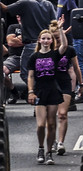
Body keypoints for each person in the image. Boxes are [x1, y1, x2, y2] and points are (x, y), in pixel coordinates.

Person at [1, 0, 58, 84]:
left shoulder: (25, 3)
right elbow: (54, 24)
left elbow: (5, 9)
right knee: (44, 71)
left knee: (26, 74)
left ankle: (37, 94)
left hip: (31, 45)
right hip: (46, 44)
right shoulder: (48, 4)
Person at [27, 29, 64, 163]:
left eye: (48, 39)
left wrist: (60, 30)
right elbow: (30, 76)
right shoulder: (34, 57)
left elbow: (64, 47)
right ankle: (41, 148)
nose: (46, 41)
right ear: (39, 40)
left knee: (52, 124)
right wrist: (31, 91)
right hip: (40, 91)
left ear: (51, 41)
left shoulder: (54, 54)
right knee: (41, 125)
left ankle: (49, 153)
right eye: (43, 38)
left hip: (53, 91)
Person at [50, 18, 81, 156]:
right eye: (54, 37)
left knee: (62, 114)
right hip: (49, 84)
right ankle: (52, 141)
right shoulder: (46, 50)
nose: (57, 40)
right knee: (50, 117)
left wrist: (81, 84)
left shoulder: (69, 50)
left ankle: (61, 142)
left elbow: (76, 68)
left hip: (64, 83)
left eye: (58, 37)